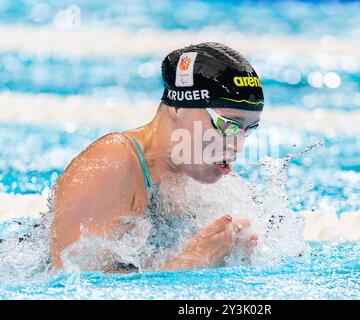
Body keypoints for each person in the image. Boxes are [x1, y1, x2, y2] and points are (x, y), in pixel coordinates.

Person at [50, 42, 265, 272]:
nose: (239, 145)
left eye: (248, 129)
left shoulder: (197, 177)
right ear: (178, 106)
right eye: (227, 125)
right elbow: (67, 283)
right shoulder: (111, 164)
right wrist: (192, 261)